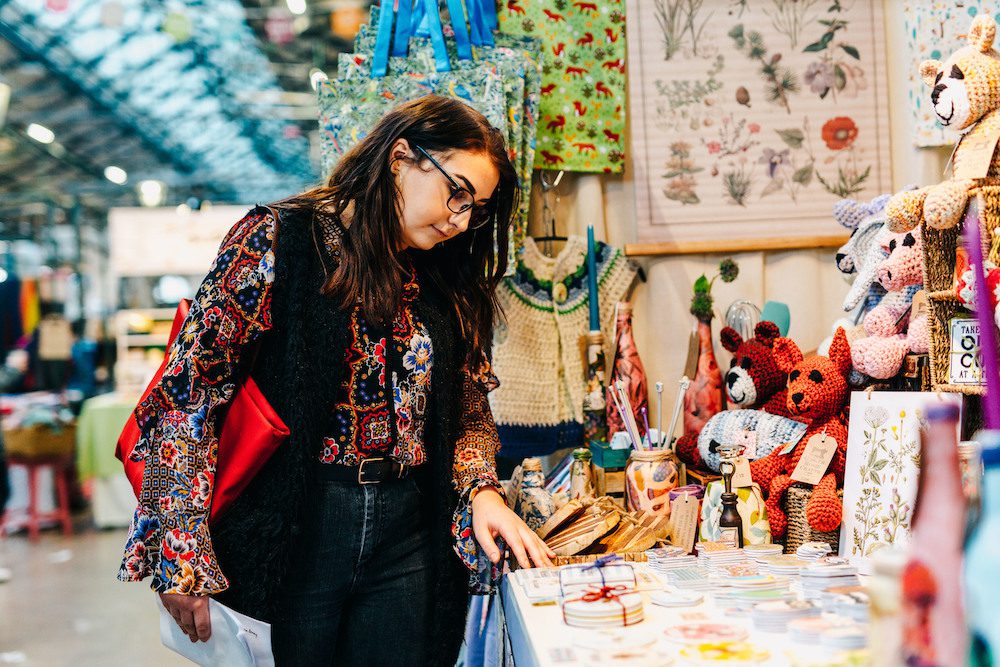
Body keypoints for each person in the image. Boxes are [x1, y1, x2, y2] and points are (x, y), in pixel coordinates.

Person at [118, 95, 554, 666]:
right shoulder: (279, 240)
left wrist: (482, 489)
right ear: (402, 158)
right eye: (458, 192)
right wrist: (179, 547)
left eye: (477, 208)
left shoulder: (443, 275)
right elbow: (191, 394)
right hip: (298, 523)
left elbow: (467, 405)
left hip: (409, 533)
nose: (460, 219)